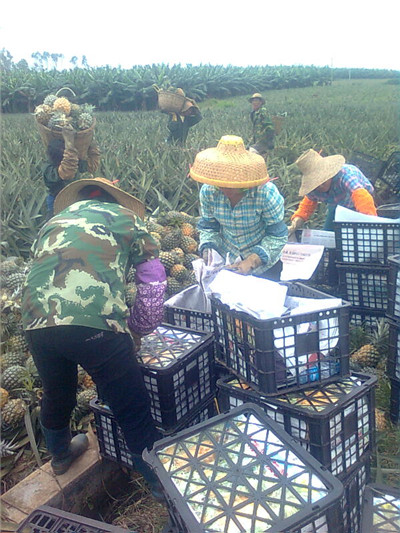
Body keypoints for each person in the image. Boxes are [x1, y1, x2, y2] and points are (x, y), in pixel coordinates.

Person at [22, 178, 167, 499]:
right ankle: (160, 485)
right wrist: (139, 328)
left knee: (57, 392)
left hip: (36, 319)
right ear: (113, 201)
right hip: (93, 319)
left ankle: (60, 454)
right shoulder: (126, 218)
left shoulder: (54, 222)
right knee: (132, 406)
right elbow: (153, 282)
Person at [189, 135, 288, 280]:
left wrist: (253, 260)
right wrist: (208, 249)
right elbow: (209, 227)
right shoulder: (209, 191)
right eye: (221, 182)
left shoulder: (265, 193)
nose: (226, 188)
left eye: (232, 183)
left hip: (264, 268)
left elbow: (277, 235)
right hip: (228, 263)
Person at [288, 148, 377, 235]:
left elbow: (362, 198)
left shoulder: (345, 175)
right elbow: (307, 206)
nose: (320, 185)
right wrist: (295, 224)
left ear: (329, 174)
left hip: (361, 203)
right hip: (336, 205)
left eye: (322, 181)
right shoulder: (313, 188)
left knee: (358, 235)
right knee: (328, 234)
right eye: (316, 183)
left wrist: (370, 223)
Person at [43, 126, 101, 219]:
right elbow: (67, 173)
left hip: (75, 199)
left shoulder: (73, 163)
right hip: (57, 201)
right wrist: (69, 143)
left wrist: (92, 144)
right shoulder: (49, 169)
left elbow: (92, 166)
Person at [248, 93, 275, 158]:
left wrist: (270, 140)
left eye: (256, 101)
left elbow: (269, 125)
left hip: (263, 140)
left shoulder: (262, 112)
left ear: (261, 102)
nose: (254, 103)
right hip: (257, 140)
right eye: (253, 101)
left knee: (252, 152)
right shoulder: (254, 113)